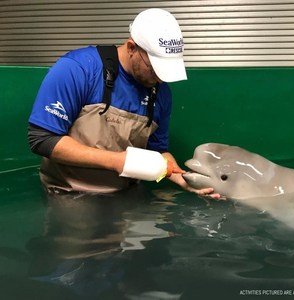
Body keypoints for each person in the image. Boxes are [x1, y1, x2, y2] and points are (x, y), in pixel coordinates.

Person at [27, 8, 219, 198]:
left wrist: (180, 177)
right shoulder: (78, 69)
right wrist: (115, 161)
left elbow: (158, 151)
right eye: (154, 69)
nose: (160, 79)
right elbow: (42, 139)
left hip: (125, 194)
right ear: (131, 48)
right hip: (69, 193)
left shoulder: (161, 92)